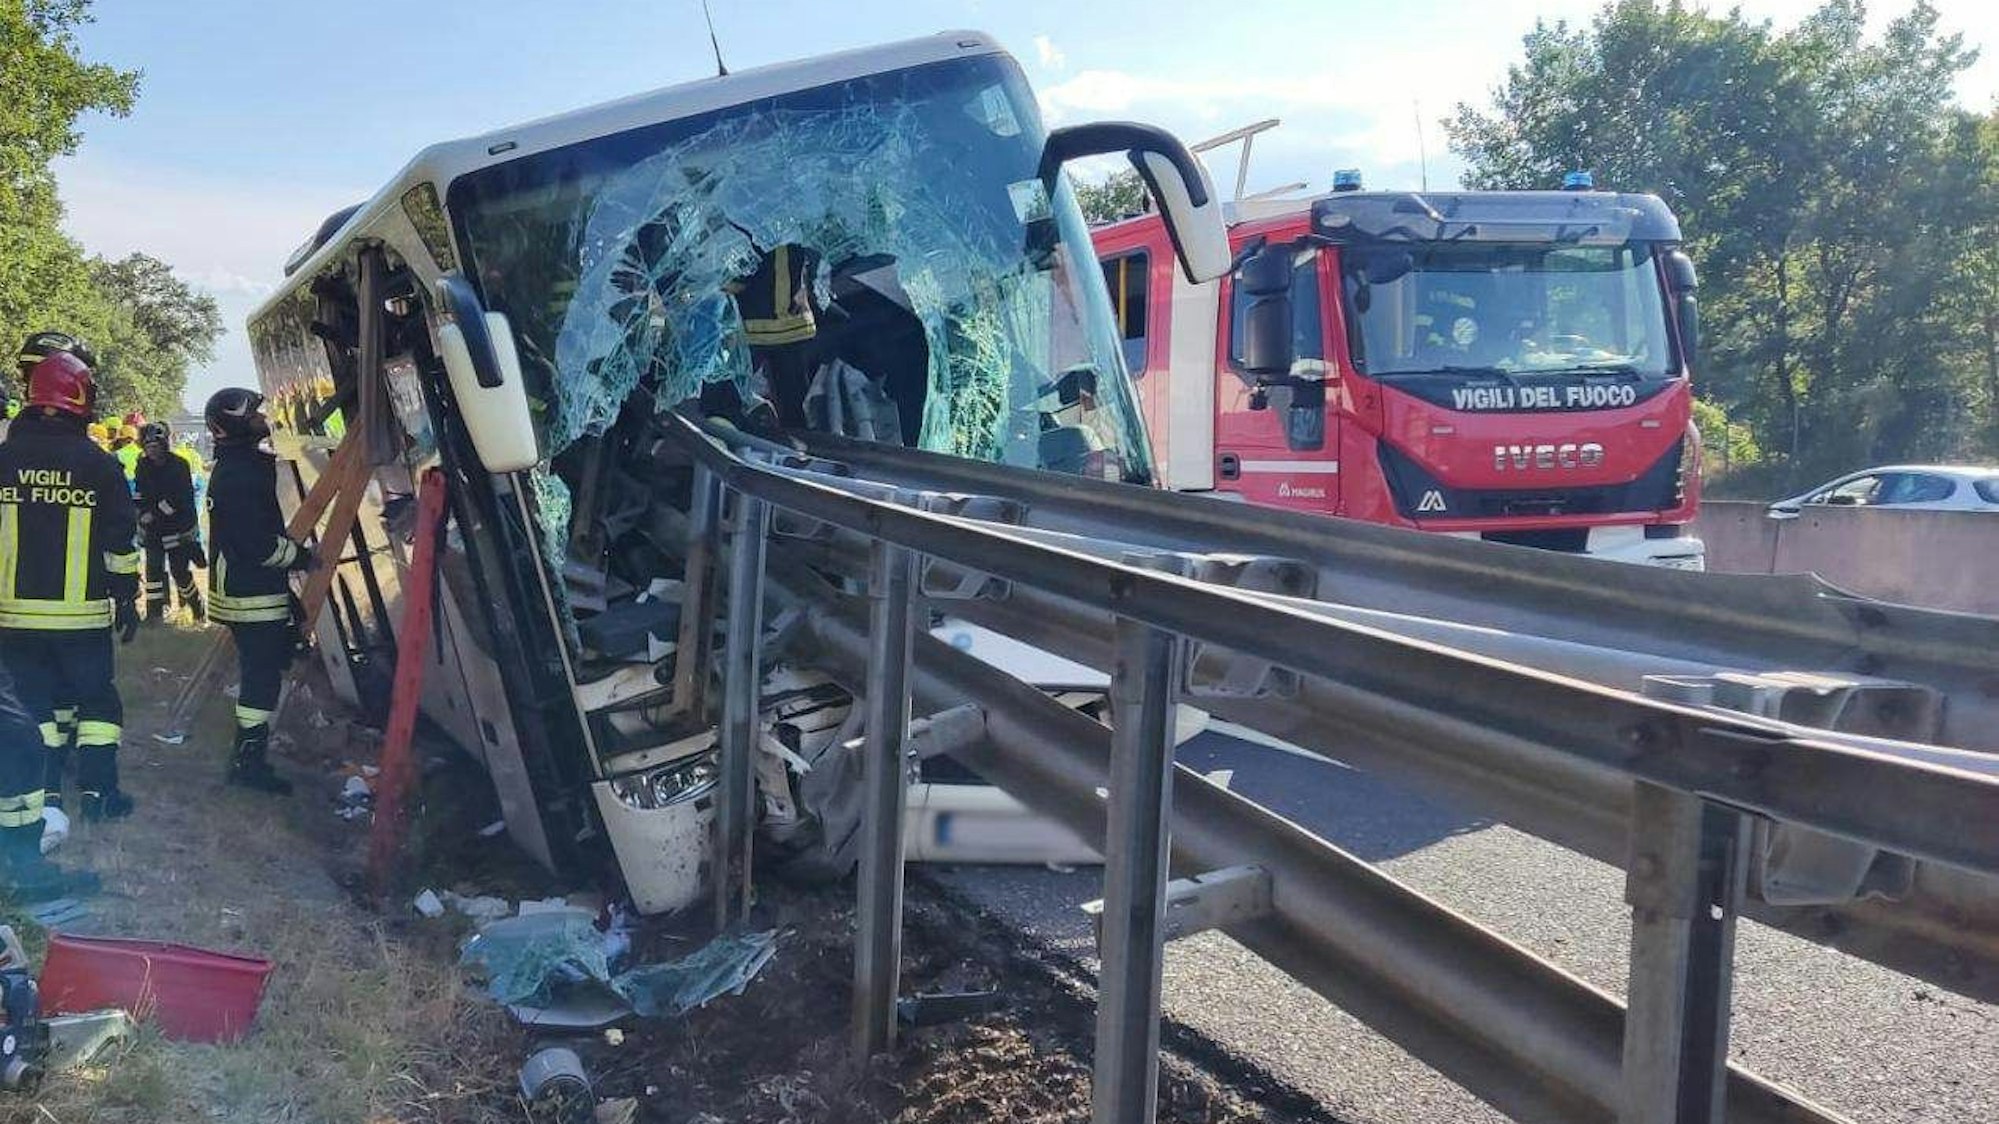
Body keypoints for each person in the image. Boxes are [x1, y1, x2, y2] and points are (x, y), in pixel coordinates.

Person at [0, 338, 141, 836]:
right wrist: (127, 596)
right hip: (81, 619)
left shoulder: (3, 459)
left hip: (14, 617)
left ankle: (47, 795)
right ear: (80, 398)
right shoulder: (98, 464)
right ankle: (100, 794)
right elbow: (120, 542)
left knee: (33, 706)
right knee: (97, 703)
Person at [204, 387, 313, 795]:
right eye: (255, 415)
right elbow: (257, 544)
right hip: (251, 595)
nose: (263, 420)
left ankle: (248, 757)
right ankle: (249, 765)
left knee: (262, 673)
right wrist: (300, 556)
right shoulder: (242, 474)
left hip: (246, 591)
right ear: (236, 424)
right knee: (261, 680)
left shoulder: (238, 466)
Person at [134, 421, 205, 622]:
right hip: (154, 529)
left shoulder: (179, 465)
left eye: (155, 446)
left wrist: (154, 513)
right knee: (153, 570)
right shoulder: (143, 465)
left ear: (164, 444)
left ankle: (197, 608)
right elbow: (140, 493)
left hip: (178, 527)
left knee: (179, 572)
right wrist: (139, 513)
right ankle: (155, 613)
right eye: (148, 446)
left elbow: (179, 500)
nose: (151, 451)